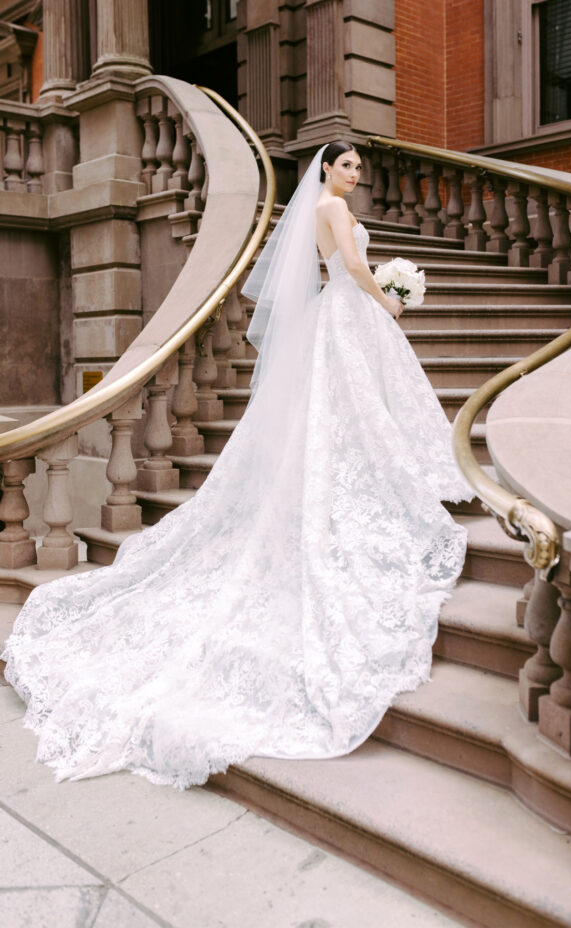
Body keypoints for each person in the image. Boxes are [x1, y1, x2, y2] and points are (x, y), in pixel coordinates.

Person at [2, 142, 473, 790]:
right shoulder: (333, 210)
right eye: (347, 166)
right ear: (327, 171)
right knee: (354, 410)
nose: (355, 175)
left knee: (345, 413)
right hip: (348, 311)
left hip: (331, 317)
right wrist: (387, 297)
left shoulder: (318, 209)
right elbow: (354, 269)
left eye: (359, 168)